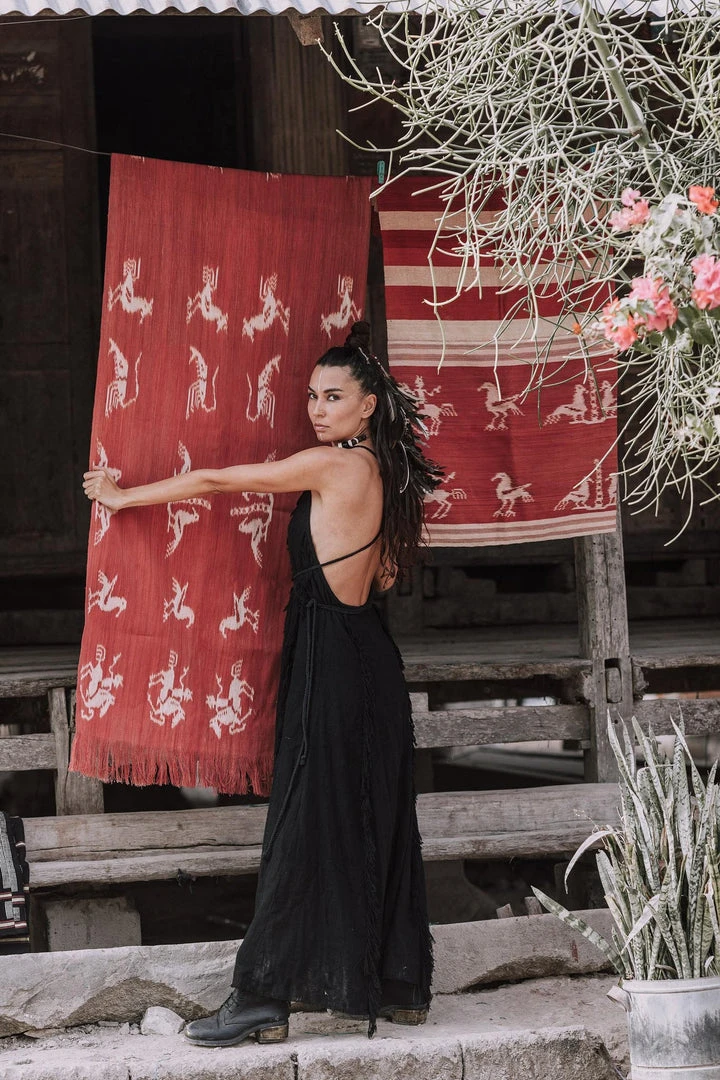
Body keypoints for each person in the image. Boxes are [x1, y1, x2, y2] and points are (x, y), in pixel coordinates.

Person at [83, 321, 443, 1048]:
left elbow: (219, 480)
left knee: (303, 822)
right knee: (372, 815)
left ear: (368, 405)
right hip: (368, 655)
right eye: (311, 396)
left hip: (332, 659)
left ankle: (261, 999)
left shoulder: (334, 466)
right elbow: (384, 576)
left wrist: (123, 497)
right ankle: (398, 986)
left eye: (333, 396)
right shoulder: (386, 472)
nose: (317, 409)